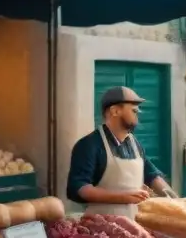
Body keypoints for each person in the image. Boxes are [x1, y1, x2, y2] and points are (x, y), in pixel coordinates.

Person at [67, 87, 171, 219]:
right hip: (102, 228)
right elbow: (79, 188)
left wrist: (174, 199)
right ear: (114, 111)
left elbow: (152, 176)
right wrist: (122, 197)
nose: (138, 112)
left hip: (137, 224)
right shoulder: (88, 145)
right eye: (133, 110)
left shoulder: (135, 144)